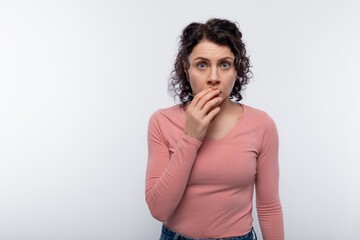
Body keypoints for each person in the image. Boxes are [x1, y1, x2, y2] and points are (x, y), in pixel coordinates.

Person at [145, 18, 284, 240]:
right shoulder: (161, 122)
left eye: (224, 64)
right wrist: (191, 137)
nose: (213, 78)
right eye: (202, 64)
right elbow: (158, 210)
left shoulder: (262, 125)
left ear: (236, 68)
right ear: (186, 68)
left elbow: (269, 207)